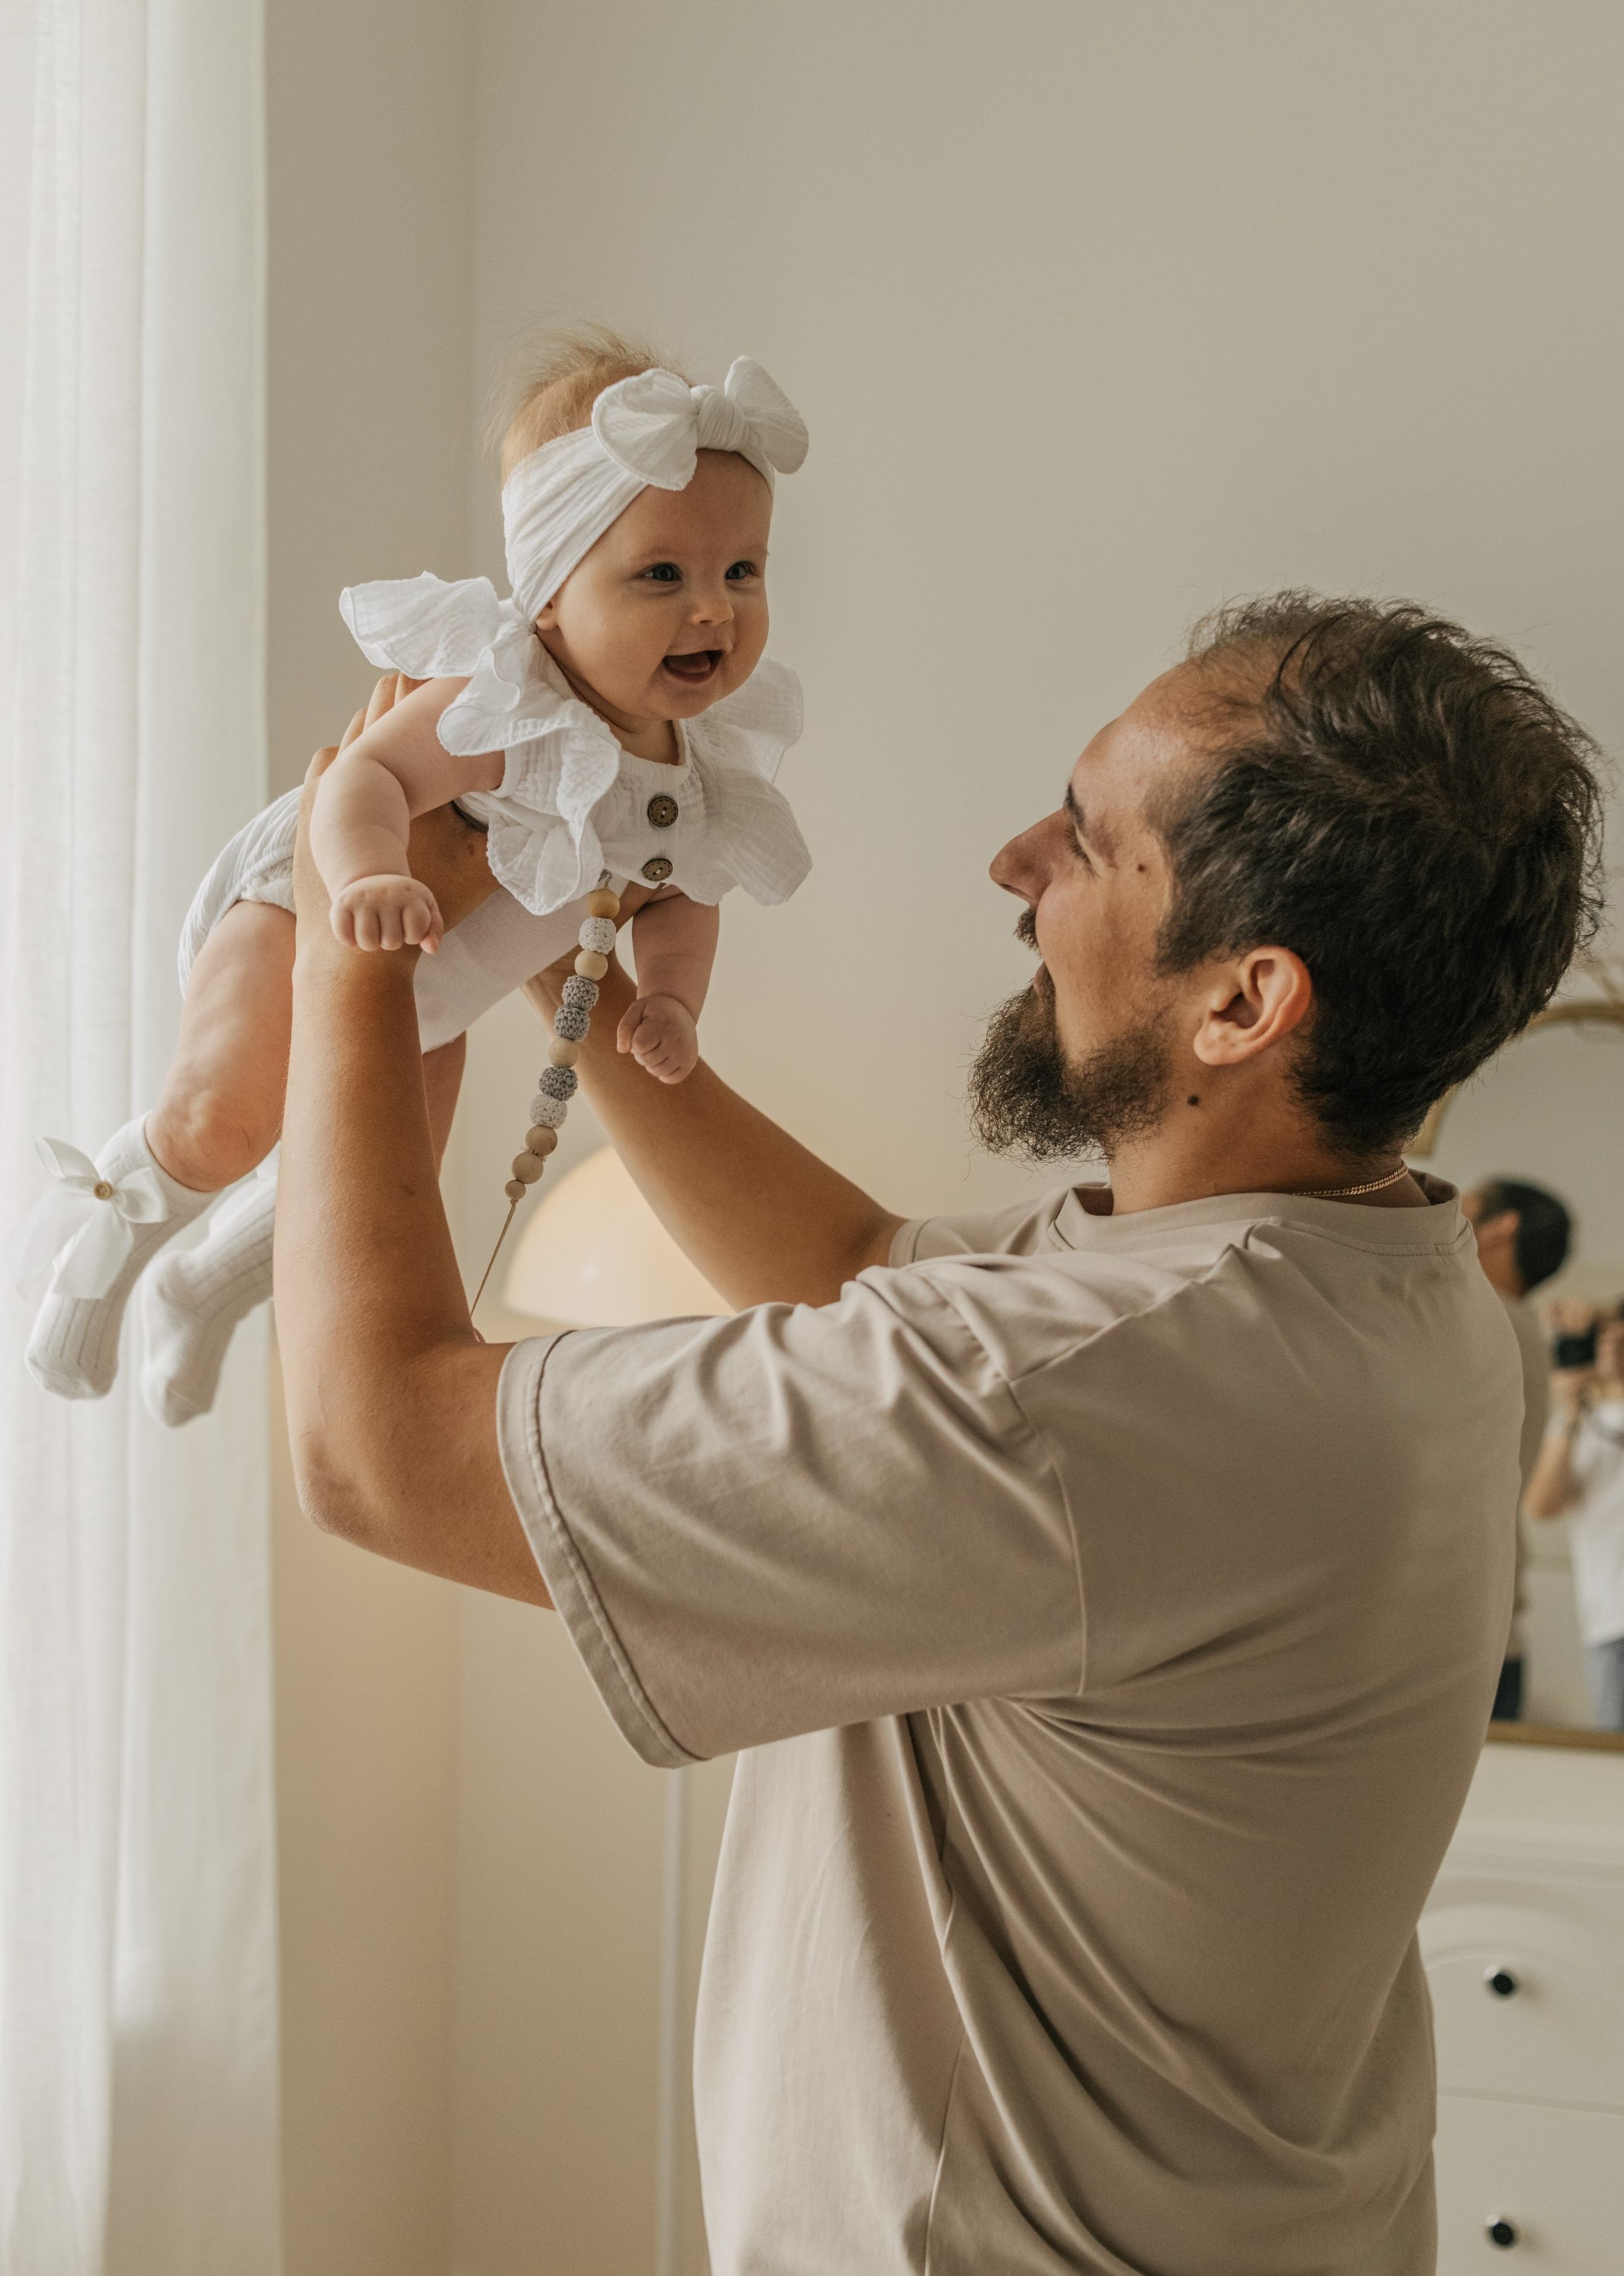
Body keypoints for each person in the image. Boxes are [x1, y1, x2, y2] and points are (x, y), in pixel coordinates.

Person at [276, 594, 1601, 2274]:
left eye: (1086, 840)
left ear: (1246, 1002)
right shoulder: (1382, 1276)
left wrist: (347, 934)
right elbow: (852, 1278)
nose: (1015, 864)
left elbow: (377, 1449)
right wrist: (574, 931)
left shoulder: (1085, 1387)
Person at [20, 335, 810, 1423]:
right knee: (222, 1121)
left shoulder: (701, 769)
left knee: (369, 1198)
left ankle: (202, 1294)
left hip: (435, 997)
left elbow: (682, 896)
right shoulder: (508, 702)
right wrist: (366, 873)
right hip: (303, 908)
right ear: (545, 595)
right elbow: (362, 777)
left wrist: (673, 996)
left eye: (743, 572)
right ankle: (94, 1253)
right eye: (662, 575)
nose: (713, 609)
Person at [1461, 1177, 1571, 1718]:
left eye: (1464, 1205)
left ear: (1501, 1229)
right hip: (1482, 1637)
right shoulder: (1512, 1324)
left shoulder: (1482, 1317)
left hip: (1461, 1648)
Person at [1525, 1307, 1624, 1730]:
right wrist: (1570, 1409)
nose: (1614, 1354)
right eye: (1605, 1343)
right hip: (1609, 1615)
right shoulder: (1577, 1422)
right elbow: (1542, 1506)